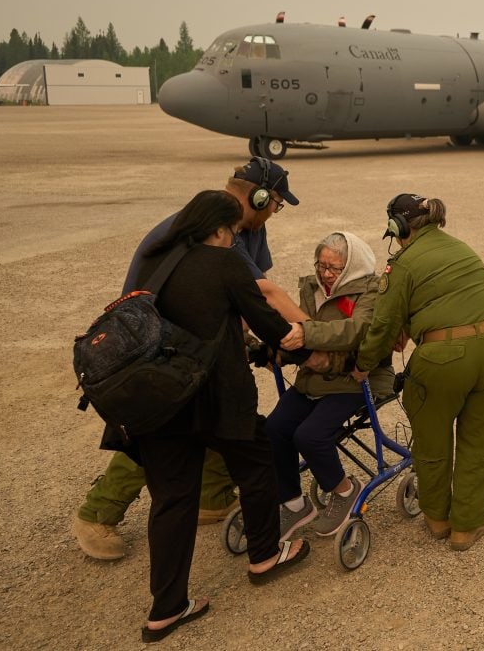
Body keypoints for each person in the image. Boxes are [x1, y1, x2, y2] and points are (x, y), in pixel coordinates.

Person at [72, 156, 309, 560]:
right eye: (276, 203)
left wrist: (247, 343)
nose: (276, 211)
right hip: (158, 348)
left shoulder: (248, 228)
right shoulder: (203, 225)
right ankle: (98, 514)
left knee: (225, 415)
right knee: (165, 433)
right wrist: (319, 335)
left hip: (201, 344)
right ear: (260, 196)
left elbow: (244, 294)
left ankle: (213, 497)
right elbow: (266, 294)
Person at [129, 190, 310, 643]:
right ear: (217, 228)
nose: (233, 239)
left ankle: (166, 610)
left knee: (172, 500)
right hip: (215, 398)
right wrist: (302, 339)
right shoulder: (224, 262)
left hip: (159, 400)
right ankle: (266, 556)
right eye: (231, 231)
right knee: (257, 460)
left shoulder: (155, 261)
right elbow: (267, 323)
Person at [350, 194, 484, 551]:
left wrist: (362, 365)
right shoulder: (463, 249)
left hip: (444, 359)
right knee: (480, 444)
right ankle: (466, 529)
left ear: (398, 227)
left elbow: (383, 324)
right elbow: (454, 298)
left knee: (433, 441)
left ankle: (438, 520)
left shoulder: (402, 265)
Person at [265, 232, 395, 540]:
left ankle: (346, 489)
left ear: (352, 265)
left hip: (354, 380)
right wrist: (279, 349)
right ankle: (295, 504)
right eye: (321, 265)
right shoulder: (311, 287)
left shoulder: (371, 290)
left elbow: (355, 331)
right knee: (272, 430)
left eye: (334, 268)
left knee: (309, 436)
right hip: (313, 379)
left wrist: (305, 334)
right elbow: (297, 334)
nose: (325, 273)